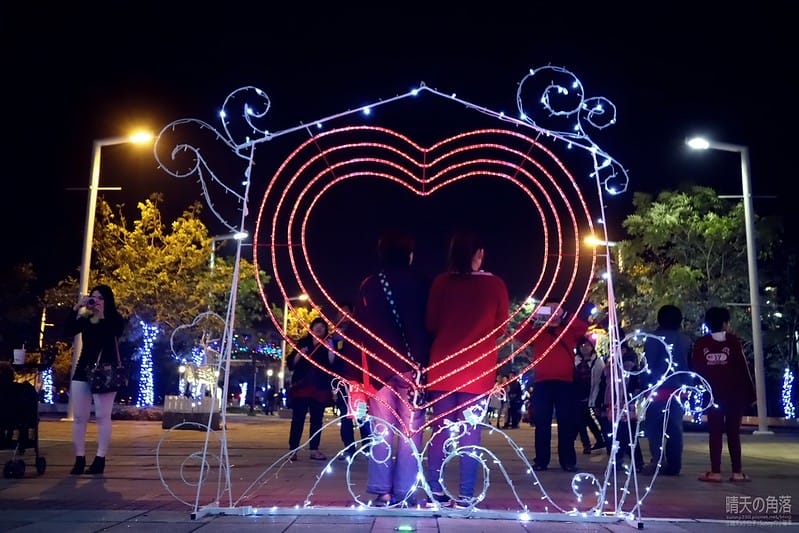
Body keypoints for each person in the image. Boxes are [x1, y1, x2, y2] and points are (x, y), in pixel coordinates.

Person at [425, 231, 509, 506]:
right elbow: (501, 327)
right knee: (470, 434)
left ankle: (434, 489)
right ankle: (465, 495)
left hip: (442, 368)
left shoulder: (441, 283)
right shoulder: (495, 285)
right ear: (480, 254)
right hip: (478, 369)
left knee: (441, 431)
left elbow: (431, 323)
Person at [350, 230, 431, 505]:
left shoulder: (369, 285)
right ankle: (405, 492)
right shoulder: (422, 283)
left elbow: (358, 330)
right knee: (411, 432)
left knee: (381, 430)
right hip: (412, 367)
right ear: (409, 255)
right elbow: (430, 324)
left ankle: (382, 491)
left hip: (378, 368)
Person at [516, 301, 590, 472]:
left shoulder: (569, 330)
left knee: (566, 423)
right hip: (542, 383)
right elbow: (520, 334)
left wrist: (564, 315)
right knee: (542, 423)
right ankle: (541, 460)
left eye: (556, 308)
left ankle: (568, 461)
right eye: (548, 308)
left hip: (566, 383)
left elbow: (583, 328)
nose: (552, 312)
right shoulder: (539, 332)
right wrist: (534, 316)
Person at [62, 284, 126, 475]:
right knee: (80, 417)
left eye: (99, 298)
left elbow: (113, 335)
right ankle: (79, 458)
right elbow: (67, 330)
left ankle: (100, 458)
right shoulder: (85, 318)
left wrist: (102, 315)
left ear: (107, 301)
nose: (95, 300)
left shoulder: (115, 319)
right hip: (83, 369)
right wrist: (76, 309)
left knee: (101, 416)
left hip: (105, 371)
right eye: (93, 297)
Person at [692, 307, 755, 483]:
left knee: (715, 432)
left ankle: (715, 472)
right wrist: (751, 395)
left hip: (713, 397)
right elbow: (743, 369)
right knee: (734, 432)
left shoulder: (701, 344)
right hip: (735, 396)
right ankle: (737, 472)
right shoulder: (734, 341)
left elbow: (696, 370)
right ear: (725, 323)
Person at [640, 304, 692, 476]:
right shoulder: (685, 340)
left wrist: (643, 384)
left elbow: (649, 364)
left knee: (654, 429)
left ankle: (658, 461)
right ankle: (675, 464)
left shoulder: (654, 339)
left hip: (657, 389)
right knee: (674, 429)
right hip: (678, 390)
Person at [286, 317, 335, 462]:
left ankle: (314, 449)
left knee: (317, 420)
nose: (319, 329)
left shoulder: (327, 344)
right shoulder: (303, 343)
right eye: (316, 326)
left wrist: (330, 348)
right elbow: (291, 363)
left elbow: (332, 364)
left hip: (319, 388)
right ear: (311, 328)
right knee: (298, 419)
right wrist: (300, 354)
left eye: (322, 327)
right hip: (302, 386)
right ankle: (293, 449)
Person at [330, 302, 371, 460]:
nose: (343, 316)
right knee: (345, 416)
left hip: (359, 379)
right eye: (340, 313)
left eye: (346, 312)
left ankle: (367, 447)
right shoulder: (334, 335)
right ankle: (349, 448)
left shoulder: (359, 331)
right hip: (342, 380)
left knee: (362, 415)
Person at [573, 336, 606, 454]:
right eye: (582, 346)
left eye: (587, 345)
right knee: (582, 420)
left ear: (592, 347)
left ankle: (600, 440)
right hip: (577, 395)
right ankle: (590, 443)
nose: (585, 348)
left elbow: (600, 379)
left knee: (589, 419)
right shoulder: (575, 361)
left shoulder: (597, 361)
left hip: (592, 394)